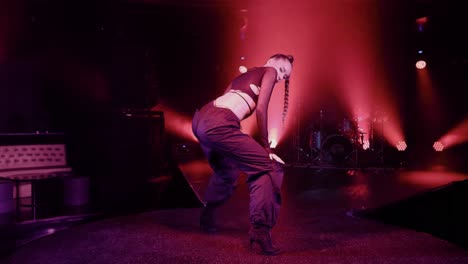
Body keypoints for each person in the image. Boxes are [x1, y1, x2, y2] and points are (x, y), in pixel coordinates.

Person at [191, 54, 294, 255]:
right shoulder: (269, 71)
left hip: (202, 118)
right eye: (282, 70)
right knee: (270, 167)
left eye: (285, 76)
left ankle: (207, 216)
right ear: (272, 61)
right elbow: (261, 109)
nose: (280, 77)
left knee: (226, 171)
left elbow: (227, 103)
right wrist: (266, 147)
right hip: (217, 124)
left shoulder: (241, 78)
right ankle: (260, 231)